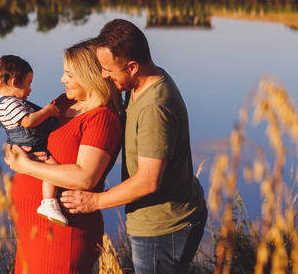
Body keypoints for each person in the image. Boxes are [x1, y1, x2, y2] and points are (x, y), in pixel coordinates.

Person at [59, 19, 207, 274]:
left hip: (163, 226)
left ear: (133, 66)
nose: (104, 75)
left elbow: (149, 181)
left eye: (108, 70)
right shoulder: (140, 83)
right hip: (165, 217)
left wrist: (95, 202)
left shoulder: (154, 107)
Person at [3, 41, 123, 274]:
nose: (62, 79)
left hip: (65, 230)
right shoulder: (64, 101)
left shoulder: (102, 118)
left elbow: (84, 177)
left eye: (69, 74)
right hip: (32, 227)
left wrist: (26, 167)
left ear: (90, 76)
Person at [0, 54, 68, 224]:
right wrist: (47, 111)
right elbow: (27, 121)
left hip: (27, 144)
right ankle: (48, 202)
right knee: (52, 168)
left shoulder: (10, 102)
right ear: (15, 82)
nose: (30, 90)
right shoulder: (8, 104)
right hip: (29, 144)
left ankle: (49, 202)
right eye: (28, 84)